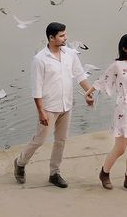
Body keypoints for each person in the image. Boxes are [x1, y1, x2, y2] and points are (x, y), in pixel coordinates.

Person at [14, 22, 94, 188]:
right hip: (49, 107)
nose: (66, 38)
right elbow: (36, 89)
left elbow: (80, 75)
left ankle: (54, 173)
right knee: (40, 140)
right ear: (51, 38)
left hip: (66, 105)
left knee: (61, 140)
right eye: (62, 35)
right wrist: (41, 112)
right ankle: (20, 163)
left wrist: (89, 93)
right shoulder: (40, 60)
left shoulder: (70, 54)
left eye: (65, 34)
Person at [85, 34, 127, 190]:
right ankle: (105, 173)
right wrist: (88, 92)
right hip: (124, 109)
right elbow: (102, 80)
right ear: (125, 48)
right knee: (120, 148)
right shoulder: (117, 66)